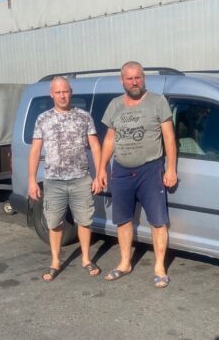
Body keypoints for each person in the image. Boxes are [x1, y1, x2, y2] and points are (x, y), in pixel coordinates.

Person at [97, 61, 177, 288]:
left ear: (144, 78)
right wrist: (102, 167)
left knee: (158, 221)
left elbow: (169, 137)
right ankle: (124, 263)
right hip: (121, 170)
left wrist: (171, 168)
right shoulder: (115, 105)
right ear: (122, 81)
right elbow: (109, 139)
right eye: (130, 78)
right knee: (123, 220)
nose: (134, 82)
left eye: (138, 77)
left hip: (150, 169)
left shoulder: (157, 101)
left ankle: (159, 268)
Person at [28, 76, 102, 281]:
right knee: (54, 223)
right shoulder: (43, 119)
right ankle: (55, 261)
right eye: (58, 92)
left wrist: (99, 175)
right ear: (51, 94)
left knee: (84, 221)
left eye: (65, 91)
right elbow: (35, 151)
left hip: (81, 179)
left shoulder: (84, 117)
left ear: (71, 92)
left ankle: (86, 259)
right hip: (53, 181)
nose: (62, 96)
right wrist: (32, 180)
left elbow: (95, 146)